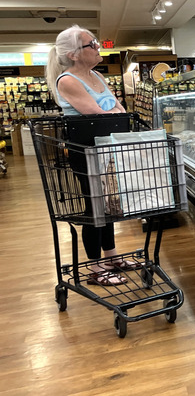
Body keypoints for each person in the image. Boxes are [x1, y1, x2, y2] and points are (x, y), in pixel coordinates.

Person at [46, 25, 133, 286]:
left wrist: (117, 115)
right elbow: (97, 115)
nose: (98, 47)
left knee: (108, 207)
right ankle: (96, 267)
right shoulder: (68, 80)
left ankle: (112, 256)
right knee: (95, 208)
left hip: (108, 150)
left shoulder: (97, 76)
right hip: (86, 151)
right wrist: (117, 116)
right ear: (73, 54)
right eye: (91, 44)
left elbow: (119, 108)